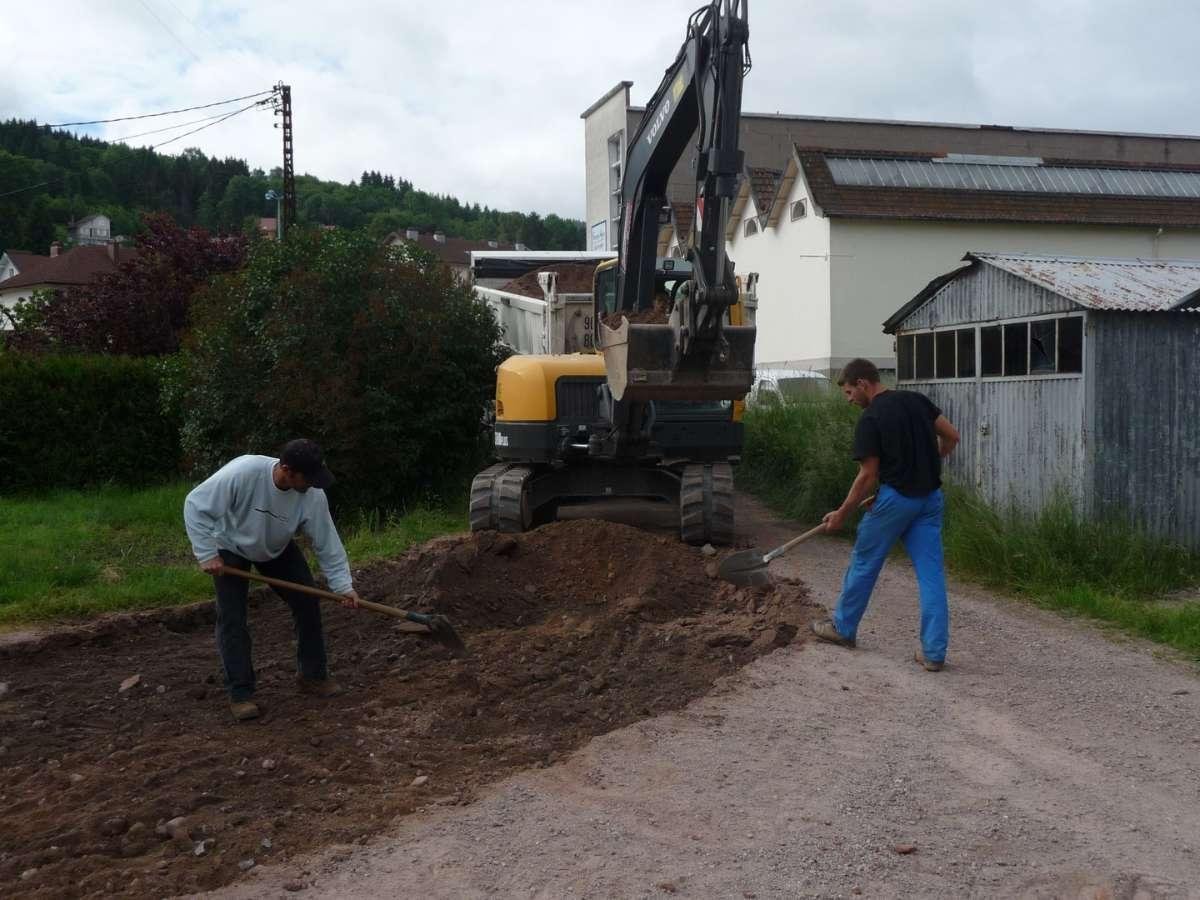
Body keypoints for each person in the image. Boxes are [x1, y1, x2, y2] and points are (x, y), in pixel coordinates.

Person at [184, 438, 361, 721]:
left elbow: (327, 541)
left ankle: (312, 676)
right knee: (232, 618)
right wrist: (206, 553)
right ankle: (240, 693)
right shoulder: (244, 473)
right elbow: (195, 505)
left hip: (276, 547)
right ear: (287, 470)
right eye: (308, 478)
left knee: (307, 601)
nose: (313, 484)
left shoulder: (312, 494)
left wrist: (343, 585)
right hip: (230, 547)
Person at [810, 359, 960, 671]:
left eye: (850, 392)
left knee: (865, 562)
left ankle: (842, 628)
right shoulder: (916, 401)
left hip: (897, 500)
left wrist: (840, 514)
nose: (849, 399)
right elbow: (952, 437)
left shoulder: (871, 418)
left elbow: (867, 476)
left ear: (863, 384)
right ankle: (934, 653)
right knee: (931, 575)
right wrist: (925, 466)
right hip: (929, 499)